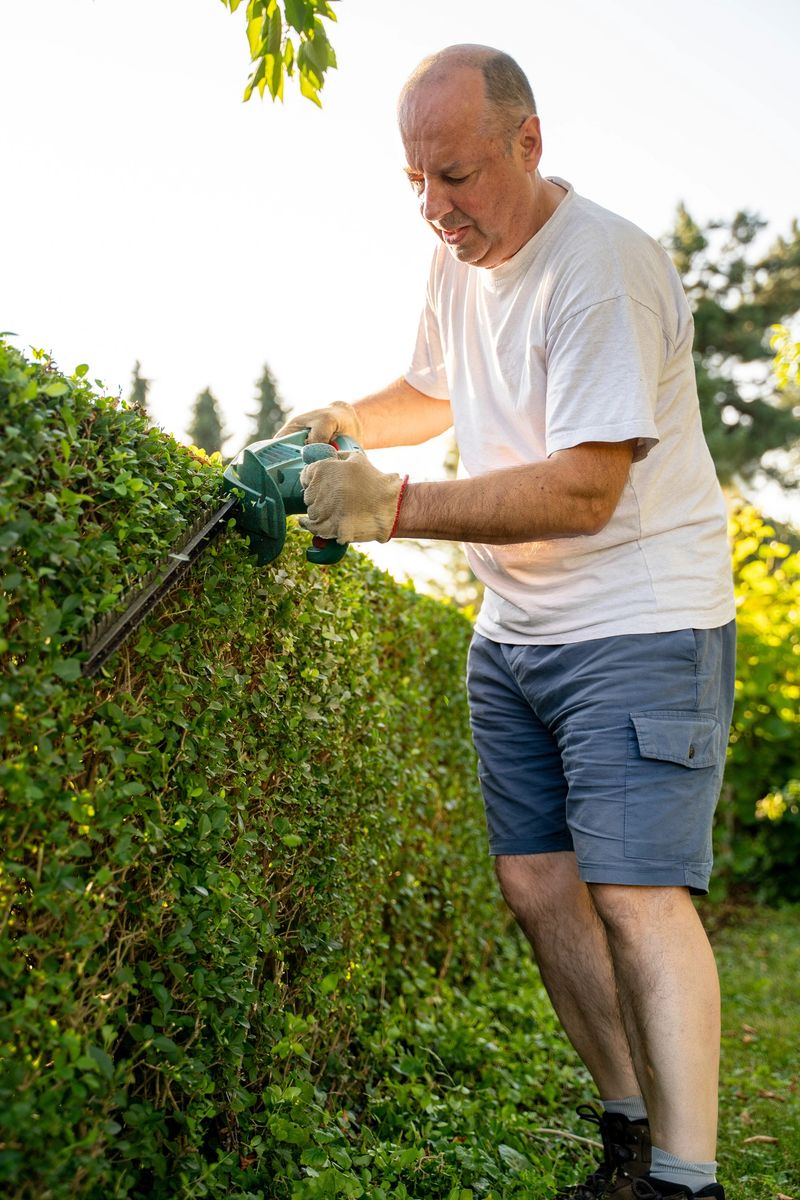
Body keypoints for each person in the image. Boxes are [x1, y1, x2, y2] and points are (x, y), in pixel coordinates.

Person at [277, 44, 736, 1200]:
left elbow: (585, 489)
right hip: (515, 631)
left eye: (459, 177)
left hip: (638, 618)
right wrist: (351, 419)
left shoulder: (604, 270)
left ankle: (689, 1180)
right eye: (416, 181)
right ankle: (628, 1134)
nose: (436, 207)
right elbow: (433, 390)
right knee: (538, 888)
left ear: (527, 145)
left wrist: (396, 506)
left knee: (634, 892)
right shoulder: (461, 261)